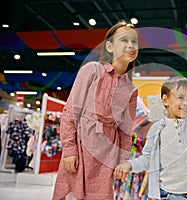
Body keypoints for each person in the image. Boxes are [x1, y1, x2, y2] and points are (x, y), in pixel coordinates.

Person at [52, 20, 139, 200]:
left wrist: (123, 161)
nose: (131, 45)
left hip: (107, 155)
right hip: (81, 149)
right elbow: (70, 113)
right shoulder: (92, 70)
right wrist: (69, 150)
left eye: (134, 41)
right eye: (124, 40)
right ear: (109, 46)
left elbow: (125, 131)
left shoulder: (131, 90)